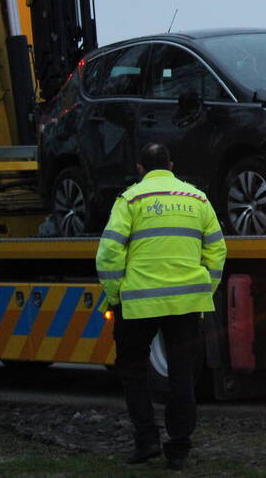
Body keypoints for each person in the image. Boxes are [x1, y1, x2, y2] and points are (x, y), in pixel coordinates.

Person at [95, 142, 227, 470]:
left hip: (138, 304)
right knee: (182, 375)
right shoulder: (197, 199)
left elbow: (108, 254)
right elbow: (217, 250)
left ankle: (147, 440)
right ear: (172, 164)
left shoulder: (131, 200)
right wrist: (204, 290)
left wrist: (115, 295)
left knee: (134, 371)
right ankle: (179, 448)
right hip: (186, 303)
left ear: (141, 168)